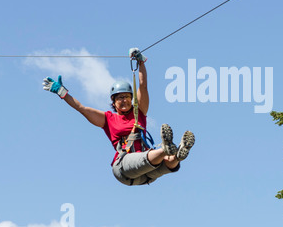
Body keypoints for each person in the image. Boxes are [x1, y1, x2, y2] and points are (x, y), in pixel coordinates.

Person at [42, 48, 195, 186]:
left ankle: (177, 154)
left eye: (126, 97)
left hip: (147, 173)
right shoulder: (108, 119)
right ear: (113, 103)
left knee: (170, 161)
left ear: (131, 99)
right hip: (124, 168)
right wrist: (62, 93)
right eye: (119, 98)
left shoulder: (139, 112)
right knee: (157, 154)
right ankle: (167, 149)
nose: (123, 100)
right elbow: (81, 108)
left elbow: (143, 86)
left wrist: (140, 62)